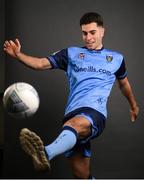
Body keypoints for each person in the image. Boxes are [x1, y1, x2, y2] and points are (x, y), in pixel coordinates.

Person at [4, 12, 139, 179]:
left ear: (102, 31)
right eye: (84, 33)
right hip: (71, 117)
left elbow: (124, 84)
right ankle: (54, 149)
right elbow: (40, 64)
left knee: (75, 125)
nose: (88, 37)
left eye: (92, 32)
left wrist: (133, 105)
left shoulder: (117, 59)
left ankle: (46, 153)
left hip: (94, 113)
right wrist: (18, 55)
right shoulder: (71, 54)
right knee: (81, 176)